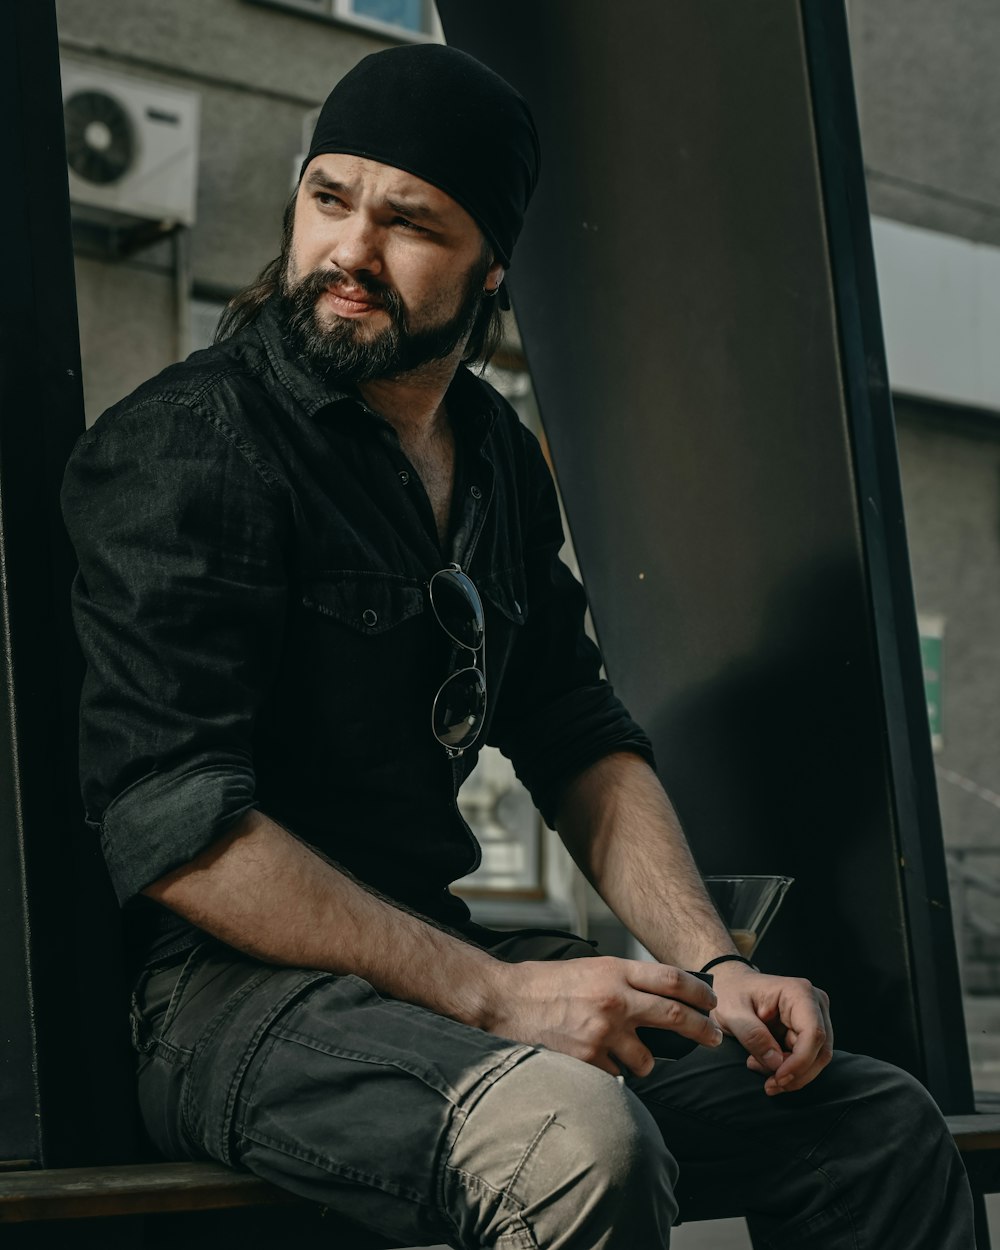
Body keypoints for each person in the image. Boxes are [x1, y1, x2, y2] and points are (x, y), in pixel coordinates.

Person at [62, 43, 974, 1250]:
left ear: (491, 261)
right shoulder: (190, 444)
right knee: (576, 1138)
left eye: (409, 223)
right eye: (327, 197)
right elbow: (170, 820)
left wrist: (712, 965)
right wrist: (502, 992)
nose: (349, 252)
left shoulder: (490, 452)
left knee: (873, 1120)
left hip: (426, 956)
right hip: (220, 995)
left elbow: (573, 727)